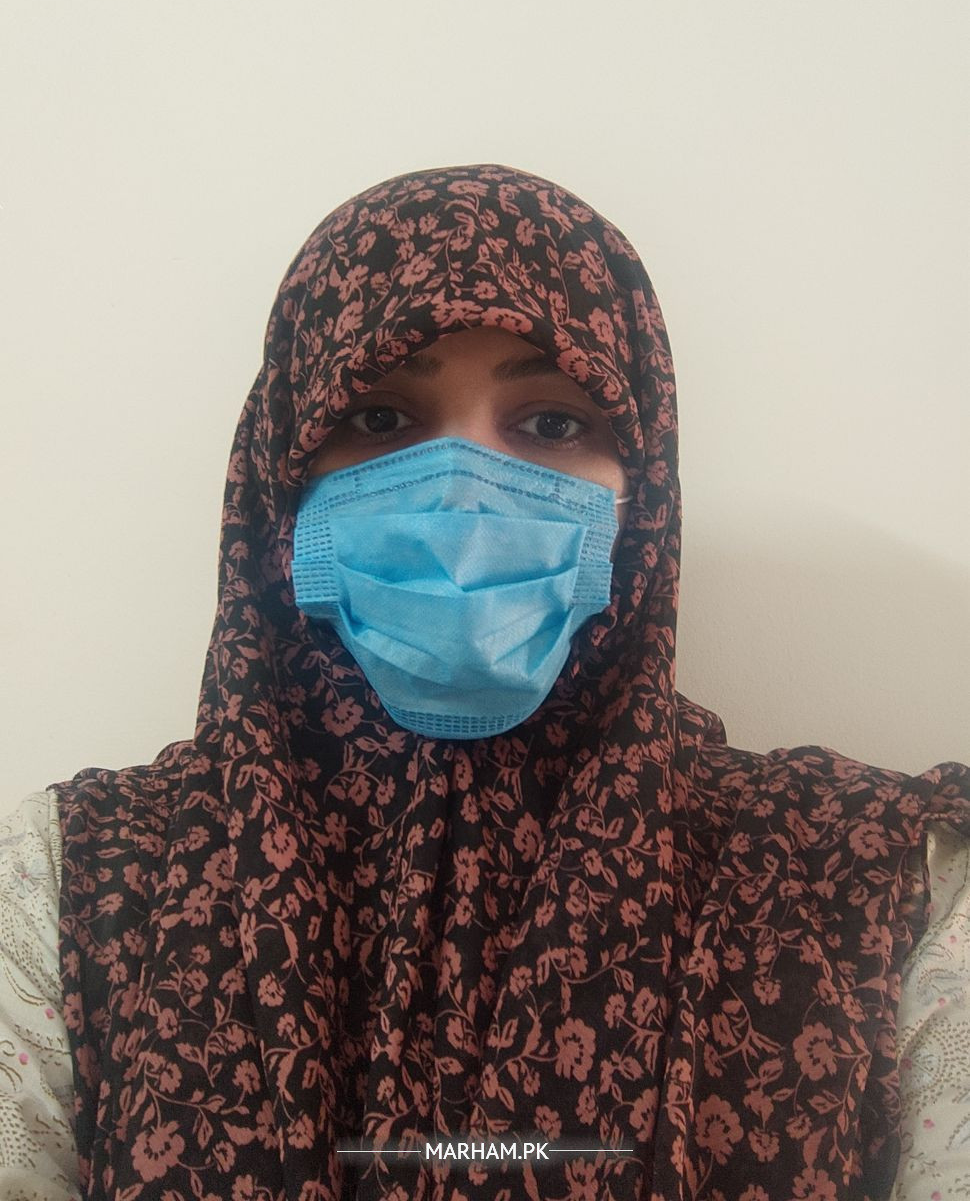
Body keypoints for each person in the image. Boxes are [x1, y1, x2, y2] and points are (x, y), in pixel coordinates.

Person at [0, 163, 968, 1201]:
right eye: (379, 419)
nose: (461, 497)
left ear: (645, 492)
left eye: (552, 423)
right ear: (279, 480)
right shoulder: (78, 882)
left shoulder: (868, 883)